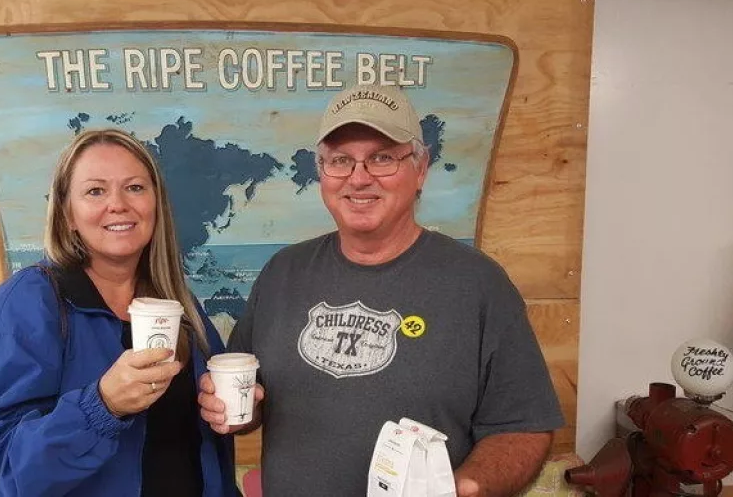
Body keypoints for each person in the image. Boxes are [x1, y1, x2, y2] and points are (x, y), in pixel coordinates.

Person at [198, 84, 565, 497]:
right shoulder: (283, 271)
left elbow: (524, 428)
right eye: (340, 160)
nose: (359, 178)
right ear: (322, 172)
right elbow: (250, 402)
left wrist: (464, 488)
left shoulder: (479, 285)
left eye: (382, 158)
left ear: (420, 168)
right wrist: (229, 408)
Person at [0, 128, 239, 496]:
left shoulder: (178, 304)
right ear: (68, 215)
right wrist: (102, 406)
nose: (118, 204)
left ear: (156, 203)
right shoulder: (26, 304)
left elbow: (199, 447)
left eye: (135, 187)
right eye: (95, 191)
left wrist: (228, 413)